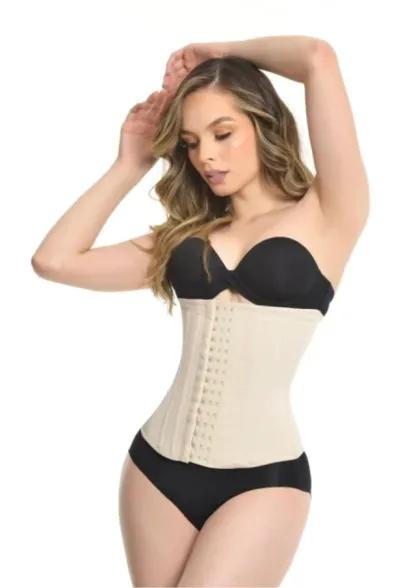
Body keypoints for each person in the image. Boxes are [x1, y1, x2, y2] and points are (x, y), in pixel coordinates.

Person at [31, 36, 369, 587]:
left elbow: (317, 58)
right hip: (155, 470)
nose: (206, 156)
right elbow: (54, 261)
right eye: (190, 143)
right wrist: (130, 163)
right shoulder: (186, 239)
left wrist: (216, 52)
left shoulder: (330, 213)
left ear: (262, 123)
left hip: (264, 480)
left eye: (223, 133)